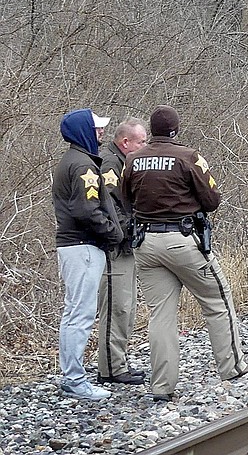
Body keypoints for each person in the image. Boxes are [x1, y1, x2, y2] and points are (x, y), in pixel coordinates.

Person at [121, 105, 248, 401]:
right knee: (217, 300)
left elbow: (124, 199)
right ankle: (232, 367)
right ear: (176, 130)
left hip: (146, 244)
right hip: (183, 239)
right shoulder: (189, 157)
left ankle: (162, 387)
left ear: (152, 131)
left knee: (161, 314)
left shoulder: (133, 160)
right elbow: (212, 199)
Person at [53, 109, 124, 401]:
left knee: (75, 313)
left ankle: (72, 377)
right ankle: (75, 381)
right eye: (96, 129)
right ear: (83, 131)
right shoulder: (83, 165)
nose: (101, 133)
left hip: (75, 246)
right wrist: (114, 233)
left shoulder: (74, 160)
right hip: (82, 247)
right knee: (79, 315)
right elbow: (87, 210)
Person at [96, 117, 149, 385]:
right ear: (125, 142)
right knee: (116, 307)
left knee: (126, 308)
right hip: (114, 248)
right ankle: (110, 368)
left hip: (126, 246)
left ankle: (119, 361)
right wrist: (126, 231)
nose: (145, 145)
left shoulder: (126, 164)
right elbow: (109, 205)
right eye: (141, 141)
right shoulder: (110, 164)